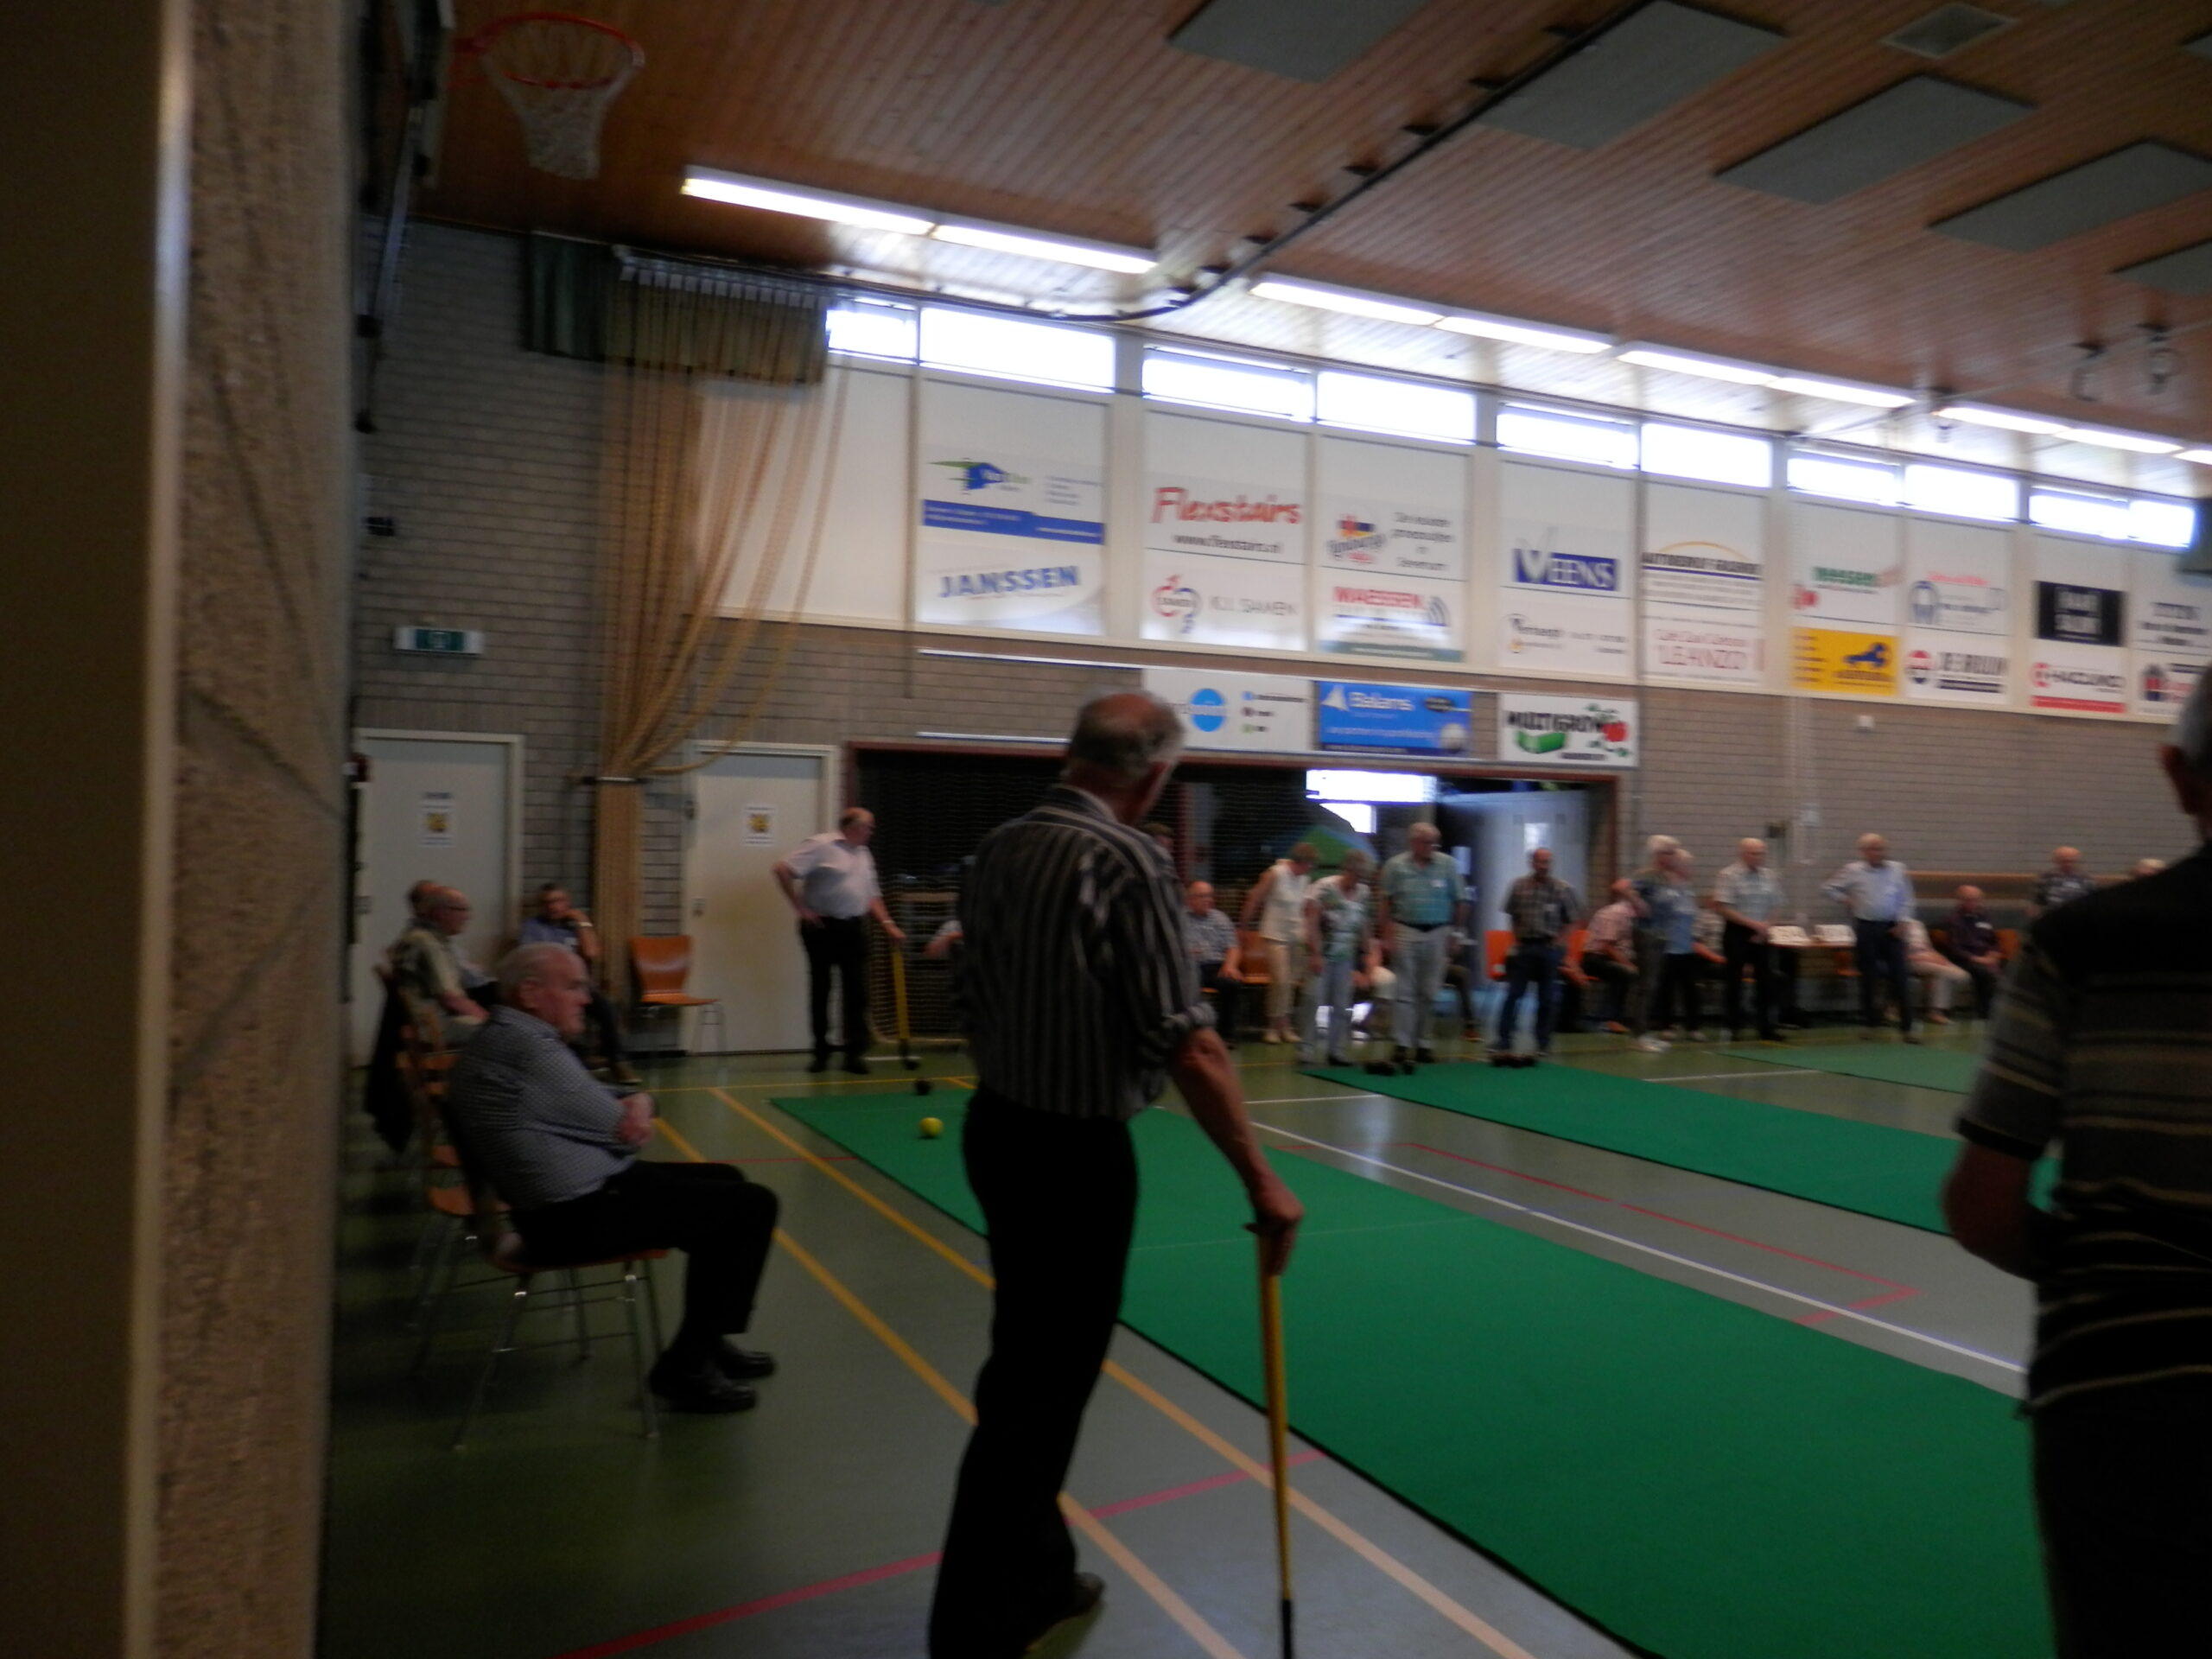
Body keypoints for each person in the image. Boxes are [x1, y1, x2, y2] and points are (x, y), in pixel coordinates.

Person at [929, 692, 1302, 1659]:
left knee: (1025, 1368)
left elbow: (965, 989)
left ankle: (1042, 1575)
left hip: (997, 1130)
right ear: (1157, 775)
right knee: (1040, 1394)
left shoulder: (998, 847)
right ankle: (972, 1627)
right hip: (1072, 1154)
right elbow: (1188, 1042)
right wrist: (1259, 1179)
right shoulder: (1128, 858)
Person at [1941, 673, 2212, 1658]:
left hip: (2121, 1394)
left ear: (2177, 774)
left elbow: (1981, 1206)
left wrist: (2108, 1271)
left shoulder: (2079, 943)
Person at [446, 944, 779, 1414]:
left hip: (554, 1207)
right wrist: (637, 1107)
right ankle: (686, 1368)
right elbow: (622, 1132)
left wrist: (639, 1100)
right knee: (752, 1206)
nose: (586, 998)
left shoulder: (505, 1037)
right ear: (530, 993)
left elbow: (599, 1097)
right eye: (574, 986)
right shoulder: (531, 1050)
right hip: (574, 1217)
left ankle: (707, 1342)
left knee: (727, 1180)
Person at [772, 807, 906, 1074]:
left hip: (853, 927)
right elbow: (782, 869)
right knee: (822, 988)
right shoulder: (821, 845)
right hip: (821, 927)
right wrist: (800, 908)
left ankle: (854, 1054)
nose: (871, 832)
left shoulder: (864, 854)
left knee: (856, 991)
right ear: (852, 826)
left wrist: (888, 925)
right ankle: (821, 1052)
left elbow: (872, 895)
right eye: (868, 827)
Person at [518, 883, 638, 1083]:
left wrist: (582, 921)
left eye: (558, 901)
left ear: (567, 903)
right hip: (549, 988)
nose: (553, 906)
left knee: (606, 1008)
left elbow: (591, 953)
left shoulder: (575, 927)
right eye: (547, 902)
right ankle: (576, 1059)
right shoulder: (533, 926)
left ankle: (618, 1062)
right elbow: (529, 958)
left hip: (578, 987)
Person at [1376, 823, 1468, 1066]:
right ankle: (1402, 1043)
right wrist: (1385, 935)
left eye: (1435, 843)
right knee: (1404, 991)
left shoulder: (1448, 865)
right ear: (1414, 843)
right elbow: (1385, 902)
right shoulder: (1395, 866)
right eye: (1427, 843)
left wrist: (1457, 934)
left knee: (1429, 991)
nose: (1432, 847)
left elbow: (1460, 901)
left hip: (1438, 932)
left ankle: (1424, 1043)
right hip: (1405, 929)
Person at [1822, 833, 1919, 1044]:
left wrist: (1903, 922)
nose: (1879, 853)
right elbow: (1828, 888)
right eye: (1874, 849)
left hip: (1892, 928)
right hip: (1866, 927)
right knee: (1868, 978)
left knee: (1901, 977)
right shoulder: (1853, 870)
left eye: (1881, 849)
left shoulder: (1897, 869)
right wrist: (1846, 899)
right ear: (1864, 852)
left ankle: (1907, 1028)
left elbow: (1907, 899)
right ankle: (1869, 1024)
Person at [1494, 847, 1585, 1058]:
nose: (1544, 866)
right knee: (1513, 994)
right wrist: (1516, 939)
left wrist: (1559, 941)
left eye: (1547, 862)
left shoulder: (1562, 889)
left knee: (1547, 997)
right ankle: (1503, 1039)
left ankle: (1543, 1042)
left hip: (1549, 947)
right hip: (1525, 946)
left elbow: (1574, 919)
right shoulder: (1518, 886)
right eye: (1540, 862)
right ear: (1532, 863)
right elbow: (1512, 914)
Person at [1240, 842, 1317, 1045]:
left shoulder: (1305, 879)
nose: (1311, 868)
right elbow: (1254, 898)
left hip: (1296, 937)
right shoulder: (1275, 874)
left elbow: (1305, 910)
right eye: (1310, 864)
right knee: (1280, 981)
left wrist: (1309, 938)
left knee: (1290, 984)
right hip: (1275, 935)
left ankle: (1285, 1025)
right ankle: (1272, 1026)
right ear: (1301, 861)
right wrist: (1244, 926)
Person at [1304, 851, 1376, 1066]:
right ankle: (1306, 1049)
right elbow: (1312, 922)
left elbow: (1365, 924)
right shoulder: (1324, 887)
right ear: (1346, 870)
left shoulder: (1364, 892)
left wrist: (1367, 953)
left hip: (1347, 955)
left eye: (1362, 876)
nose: (1358, 880)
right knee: (1313, 1000)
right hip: (1323, 953)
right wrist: (1315, 953)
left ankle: (1336, 1050)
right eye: (1356, 874)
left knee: (1342, 1004)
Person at [392, 886, 490, 1045]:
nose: (468, 917)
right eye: (462, 910)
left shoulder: (423, 937)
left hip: (432, 1022)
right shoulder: (427, 943)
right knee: (506, 1035)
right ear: (441, 912)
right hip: (436, 1027)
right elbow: (450, 998)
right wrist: (491, 1022)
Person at [1712, 836, 1786, 1043]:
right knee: (1734, 981)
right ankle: (1732, 1026)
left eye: (1761, 853)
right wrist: (1752, 924)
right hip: (1737, 931)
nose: (1758, 857)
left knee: (1767, 980)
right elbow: (1723, 907)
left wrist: (1766, 927)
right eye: (1754, 853)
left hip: (1762, 932)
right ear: (1743, 854)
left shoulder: (1770, 876)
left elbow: (1777, 904)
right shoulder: (1729, 875)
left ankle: (1766, 1027)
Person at [1631, 844, 1700, 1051]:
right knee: (1648, 986)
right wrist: (1638, 903)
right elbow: (1621, 886)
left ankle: (1643, 1033)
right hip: (1649, 935)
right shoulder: (1648, 875)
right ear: (1659, 855)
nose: (1672, 858)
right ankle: (1640, 1035)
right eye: (1669, 854)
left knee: (1651, 987)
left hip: (1662, 937)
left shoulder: (1666, 881)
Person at [1182, 880, 1243, 1039]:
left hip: (1217, 965)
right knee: (1184, 984)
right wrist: (1186, 952)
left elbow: (1233, 947)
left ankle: (1226, 1035)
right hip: (1189, 966)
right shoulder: (1179, 918)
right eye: (1202, 896)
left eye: (1210, 896)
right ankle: (1190, 1033)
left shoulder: (1220, 918)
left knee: (1231, 983)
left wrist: (1230, 966)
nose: (1208, 900)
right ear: (1190, 899)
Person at [1580, 878, 1641, 1033]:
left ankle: (1643, 1017)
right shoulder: (1616, 914)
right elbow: (1607, 947)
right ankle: (1610, 1019)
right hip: (1595, 958)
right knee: (1624, 972)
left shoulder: (1630, 915)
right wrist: (1628, 965)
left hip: (1610, 956)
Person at [1943, 885, 2005, 1020]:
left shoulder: (1984, 916)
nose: (1973, 903)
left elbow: (1994, 939)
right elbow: (1955, 949)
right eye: (1969, 900)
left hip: (1986, 957)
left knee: (2010, 970)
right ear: (1960, 900)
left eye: (1976, 900)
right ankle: (1985, 1014)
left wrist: (1994, 953)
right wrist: (1979, 959)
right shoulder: (1953, 919)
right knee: (1986, 974)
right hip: (1965, 959)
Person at [1902, 915, 1969, 1026]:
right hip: (1911, 960)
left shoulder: (1918, 924)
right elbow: (1899, 953)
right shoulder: (1896, 925)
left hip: (1928, 957)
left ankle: (1939, 1007)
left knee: (1962, 975)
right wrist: (1924, 958)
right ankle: (1935, 1012)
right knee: (1943, 972)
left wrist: (1940, 958)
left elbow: (1928, 947)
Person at [2029, 846, 2097, 918]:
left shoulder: (2086, 880)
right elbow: (2037, 902)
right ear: (2057, 861)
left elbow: (2093, 902)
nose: (2068, 864)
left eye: (2072, 861)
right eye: (2065, 861)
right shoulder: (2046, 878)